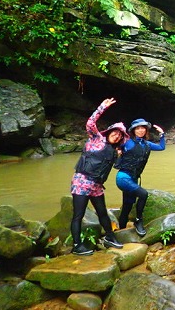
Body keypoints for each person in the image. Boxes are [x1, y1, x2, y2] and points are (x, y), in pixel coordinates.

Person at [70, 98, 127, 255]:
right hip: (82, 181)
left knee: (102, 212)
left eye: (119, 136)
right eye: (114, 133)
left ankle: (110, 236)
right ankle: (76, 246)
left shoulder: (114, 151)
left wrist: (120, 155)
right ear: (109, 132)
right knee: (78, 215)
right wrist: (102, 107)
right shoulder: (96, 139)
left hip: (96, 186)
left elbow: (115, 166)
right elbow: (90, 123)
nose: (116, 136)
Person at [115, 118, 165, 236]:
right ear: (133, 131)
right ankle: (138, 220)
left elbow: (162, 147)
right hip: (123, 177)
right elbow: (114, 143)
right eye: (138, 128)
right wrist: (117, 152)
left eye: (143, 128)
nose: (141, 130)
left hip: (134, 178)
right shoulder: (127, 142)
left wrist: (162, 134)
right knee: (143, 194)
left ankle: (121, 231)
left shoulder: (147, 144)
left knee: (127, 205)